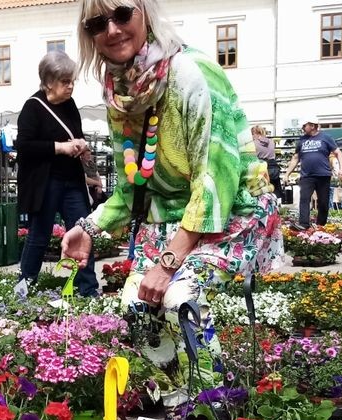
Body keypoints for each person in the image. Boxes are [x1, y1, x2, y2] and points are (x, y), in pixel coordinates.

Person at [62, 0, 283, 375]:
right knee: (134, 305)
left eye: (122, 14)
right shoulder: (119, 92)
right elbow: (134, 185)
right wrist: (88, 228)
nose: (112, 29)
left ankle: (213, 402)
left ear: (145, 12)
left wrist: (167, 265)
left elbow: (217, 180)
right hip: (171, 217)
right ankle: (173, 393)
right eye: (98, 23)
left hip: (231, 212)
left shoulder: (191, 72)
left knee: (180, 298)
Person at [15, 50, 98, 296]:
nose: (71, 86)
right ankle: (25, 286)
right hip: (46, 183)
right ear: (49, 81)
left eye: (72, 81)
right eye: (65, 82)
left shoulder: (70, 105)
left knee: (83, 232)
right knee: (39, 235)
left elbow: (75, 134)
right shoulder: (33, 107)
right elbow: (25, 146)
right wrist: (60, 148)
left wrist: (82, 147)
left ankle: (88, 289)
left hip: (72, 181)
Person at [283, 119, 342, 229]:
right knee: (304, 199)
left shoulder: (326, 137)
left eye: (304, 125)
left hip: (323, 175)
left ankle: (321, 225)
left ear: (312, 126)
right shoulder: (301, 140)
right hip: (306, 176)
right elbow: (296, 157)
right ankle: (304, 224)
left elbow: (338, 152)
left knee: (323, 202)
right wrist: (287, 174)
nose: (302, 128)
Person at [252, 125, 283, 197]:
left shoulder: (253, 144)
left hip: (261, 168)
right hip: (273, 167)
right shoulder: (271, 142)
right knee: (274, 191)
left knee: (261, 192)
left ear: (255, 133)